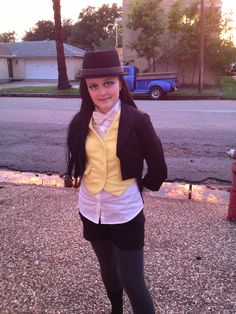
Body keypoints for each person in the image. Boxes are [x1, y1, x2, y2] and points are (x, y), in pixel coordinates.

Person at [66, 50, 167, 314]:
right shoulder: (79, 123)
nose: (102, 92)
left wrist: (135, 189)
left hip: (125, 212)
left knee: (133, 282)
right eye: (93, 86)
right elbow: (80, 163)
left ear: (120, 83)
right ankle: (116, 311)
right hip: (90, 209)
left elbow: (158, 169)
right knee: (108, 271)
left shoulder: (138, 120)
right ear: (86, 89)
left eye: (109, 83)